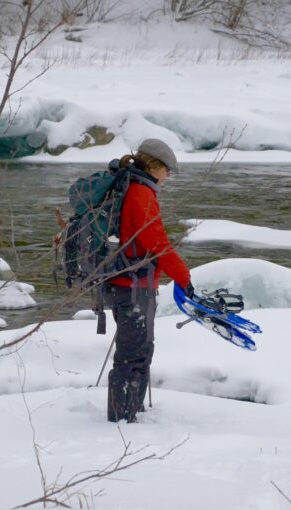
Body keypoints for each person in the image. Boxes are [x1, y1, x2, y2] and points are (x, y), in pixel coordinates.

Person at [105, 138, 192, 423]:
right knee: (134, 353)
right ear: (154, 166)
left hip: (126, 282)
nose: (168, 177)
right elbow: (156, 242)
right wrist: (183, 277)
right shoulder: (140, 193)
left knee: (138, 350)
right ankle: (121, 419)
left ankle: (129, 412)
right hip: (132, 287)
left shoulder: (129, 185)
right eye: (167, 170)